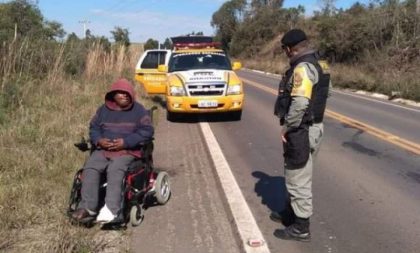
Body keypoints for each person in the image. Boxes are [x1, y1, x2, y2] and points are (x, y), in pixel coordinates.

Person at [272, 29, 331, 242]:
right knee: (296, 173)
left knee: (298, 178)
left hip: (302, 130)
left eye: (285, 50)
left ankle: (301, 227)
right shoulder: (319, 64)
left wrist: (288, 127)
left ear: (289, 49)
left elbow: (299, 103)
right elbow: (327, 93)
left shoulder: (302, 68)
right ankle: (290, 214)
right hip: (314, 126)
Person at [72, 78, 154, 223]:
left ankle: (112, 210)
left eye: (127, 93)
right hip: (104, 150)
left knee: (115, 169)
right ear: (113, 95)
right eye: (120, 93)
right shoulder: (103, 110)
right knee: (90, 167)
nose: (124, 95)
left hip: (127, 151)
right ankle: (88, 207)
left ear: (132, 94)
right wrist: (99, 140)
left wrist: (125, 142)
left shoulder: (139, 111)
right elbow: (94, 128)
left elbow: (147, 131)